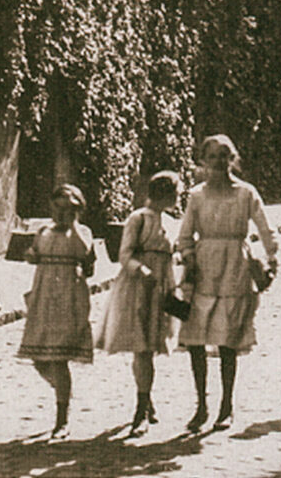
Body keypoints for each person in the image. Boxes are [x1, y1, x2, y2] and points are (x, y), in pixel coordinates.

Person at [177, 135, 278, 432]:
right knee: (196, 338)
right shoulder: (196, 196)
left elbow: (265, 228)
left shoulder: (246, 193)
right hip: (204, 268)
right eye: (213, 157)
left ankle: (226, 405)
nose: (219, 162)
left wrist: (272, 261)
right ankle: (201, 405)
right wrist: (188, 257)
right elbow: (184, 235)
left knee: (228, 340)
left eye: (224, 155)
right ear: (203, 161)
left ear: (232, 158)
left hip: (235, 266)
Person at [96, 171, 181, 436]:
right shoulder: (138, 218)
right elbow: (124, 255)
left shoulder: (172, 222)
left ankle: (147, 399)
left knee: (154, 346)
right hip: (138, 288)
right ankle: (140, 410)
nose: (178, 198)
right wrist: (141, 270)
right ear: (165, 194)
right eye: (176, 193)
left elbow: (177, 251)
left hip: (164, 287)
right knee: (141, 348)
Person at [18, 184, 96, 440]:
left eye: (69, 209)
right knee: (39, 358)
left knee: (59, 358)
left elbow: (89, 265)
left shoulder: (82, 232)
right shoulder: (42, 232)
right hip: (43, 296)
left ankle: (62, 418)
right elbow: (35, 253)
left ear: (78, 210)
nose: (62, 214)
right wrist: (31, 255)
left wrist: (74, 225)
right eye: (58, 208)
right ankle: (62, 391)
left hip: (69, 298)